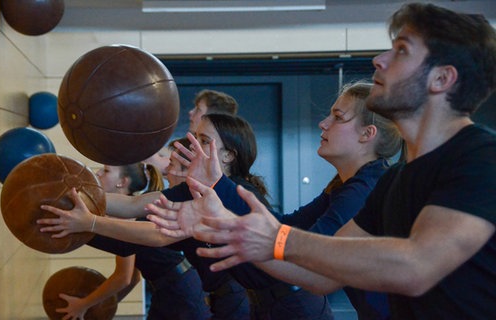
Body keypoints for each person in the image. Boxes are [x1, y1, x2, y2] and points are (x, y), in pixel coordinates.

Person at [149, 3, 496, 320]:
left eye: (401, 50)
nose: (380, 59)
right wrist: (226, 223)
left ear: (442, 79)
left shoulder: (481, 158)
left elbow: (416, 265)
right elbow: (319, 275)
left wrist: (278, 239)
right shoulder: (393, 182)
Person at [38, 114, 334, 319]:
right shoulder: (195, 190)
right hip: (249, 301)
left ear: (228, 156)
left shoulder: (233, 193)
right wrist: (76, 191)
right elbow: (135, 205)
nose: (193, 146)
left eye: (204, 141)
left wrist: (89, 222)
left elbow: (157, 234)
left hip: (290, 302)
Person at [148, 80, 402, 319]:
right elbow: (289, 227)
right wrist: (218, 186)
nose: (323, 123)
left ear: (367, 134)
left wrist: (226, 219)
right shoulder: (347, 186)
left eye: (337, 117)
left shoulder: (365, 188)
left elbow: (311, 261)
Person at [57, 162, 211, 320]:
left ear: (122, 182)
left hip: (182, 291)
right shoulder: (123, 213)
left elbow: (123, 277)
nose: (98, 174)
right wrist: (102, 308)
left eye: (106, 171)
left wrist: (84, 304)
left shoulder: (130, 215)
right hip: (170, 288)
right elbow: (133, 278)